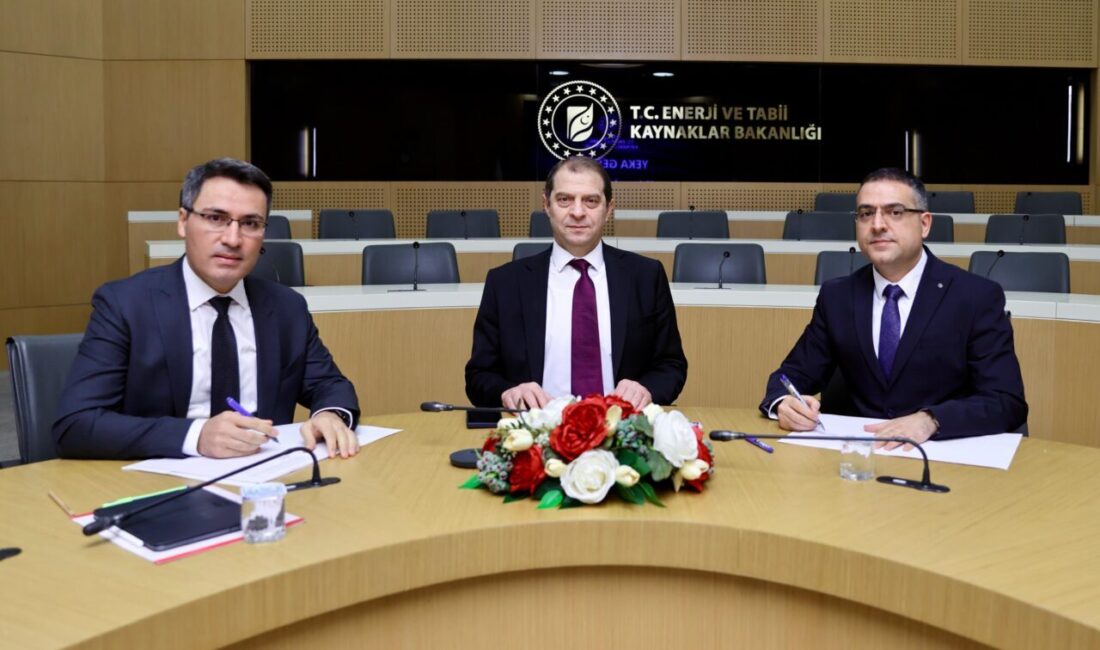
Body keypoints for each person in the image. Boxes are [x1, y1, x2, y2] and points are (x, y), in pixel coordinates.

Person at [54, 158, 361, 460]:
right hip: (159, 479)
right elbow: (76, 424)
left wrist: (330, 414)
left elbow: (329, 385)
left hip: (266, 477)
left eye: (250, 223)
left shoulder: (286, 307)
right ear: (183, 221)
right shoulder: (125, 304)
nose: (233, 239)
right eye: (215, 218)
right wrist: (196, 437)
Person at [760, 168, 1027, 448]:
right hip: (857, 460)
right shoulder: (837, 296)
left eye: (895, 212)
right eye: (866, 213)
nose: (877, 224)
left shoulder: (975, 297)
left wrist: (931, 419)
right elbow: (790, 376)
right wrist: (784, 403)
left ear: (924, 224)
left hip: (942, 457)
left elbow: (1006, 400)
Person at [465, 156, 687, 410]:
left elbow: (671, 365)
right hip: (535, 427)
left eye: (591, 201)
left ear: (609, 209)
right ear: (546, 205)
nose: (578, 212)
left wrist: (646, 388)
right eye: (564, 199)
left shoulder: (646, 276)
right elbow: (478, 376)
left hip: (621, 426)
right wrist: (508, 393)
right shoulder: (505, 282)